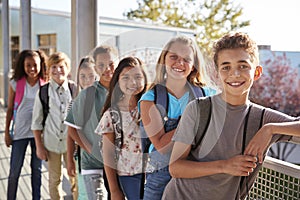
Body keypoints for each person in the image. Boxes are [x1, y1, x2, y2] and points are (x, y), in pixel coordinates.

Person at [162, 32, 300, 200]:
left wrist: (269, 129)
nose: (234, 73)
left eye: (243, 66)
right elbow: (175, 168)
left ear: (256, 72)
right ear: (216, 74)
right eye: (226, 67)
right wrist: (225, 166)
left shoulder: (263, 119)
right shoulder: (198, 109)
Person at [139, 35, 215, 200]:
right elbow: (160, 145)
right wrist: (191, 120)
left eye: (186, 59)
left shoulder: (208, 95)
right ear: (164, 60)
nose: (180, 63)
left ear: (193, 65)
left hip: (196, 170)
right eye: (174, 57)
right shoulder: (150, 99)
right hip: (160, 175)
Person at [65, 45, 118, 200]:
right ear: (95, 67)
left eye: (111, 64)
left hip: (118, 164)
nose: (107, 69)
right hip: (93, 164)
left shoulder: (123, 91)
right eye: (101, 65)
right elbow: (72, 130)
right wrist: (90, 149)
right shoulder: (88, 94)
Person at [95, 57, 148, 200]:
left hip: (151, 175)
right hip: (127, 177)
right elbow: (108, 155)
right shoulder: (112, 114)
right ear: (117, 81)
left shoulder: (150, 108)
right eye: (126, 78)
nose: (133, 82)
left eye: (138, 76)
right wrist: (114, 190)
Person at [31, 52, 78, 200]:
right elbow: (36, 122)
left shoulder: (74, 89)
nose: (58, 70)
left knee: (75, 179)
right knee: (54, 180)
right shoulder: (43, 92)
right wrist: (39, 146)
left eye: (61, 66)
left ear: (68, 69)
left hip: (73, 143)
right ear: (48, 70)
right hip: (51, 143)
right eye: (54, 67)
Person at [4, 50, 48, 200]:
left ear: (41, 65)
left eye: (35, 65)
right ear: (22, 66)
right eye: (28, 65)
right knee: (14, 171)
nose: (32, 69)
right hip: (20, 133)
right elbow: (9, 109)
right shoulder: (15, 83)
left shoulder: (45, 84)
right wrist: (6, 133)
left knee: (37, 170)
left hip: (39, 135)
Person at [66, 56, 97, 199]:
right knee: (85, 193)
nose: (87, 80)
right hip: (84, 157)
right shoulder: (75, 102)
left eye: (91, 76)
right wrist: (69, 159)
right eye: (82, 76)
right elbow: (70, 133)